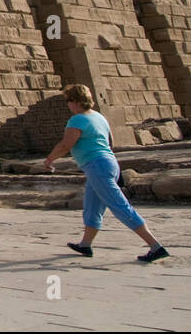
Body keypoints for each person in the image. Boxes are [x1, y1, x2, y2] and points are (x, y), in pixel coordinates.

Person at [45, 84, 168, 263]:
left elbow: (66, 145)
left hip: (97, 167)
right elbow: (111, 142)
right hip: (107, 163)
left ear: (76, 102)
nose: (67, 105)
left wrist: (49, 159)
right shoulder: (99, 117)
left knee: (120, 207)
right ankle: (85, 244)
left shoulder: (77, 120)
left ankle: (155, 246)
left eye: (68, 101)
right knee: (92, 207)